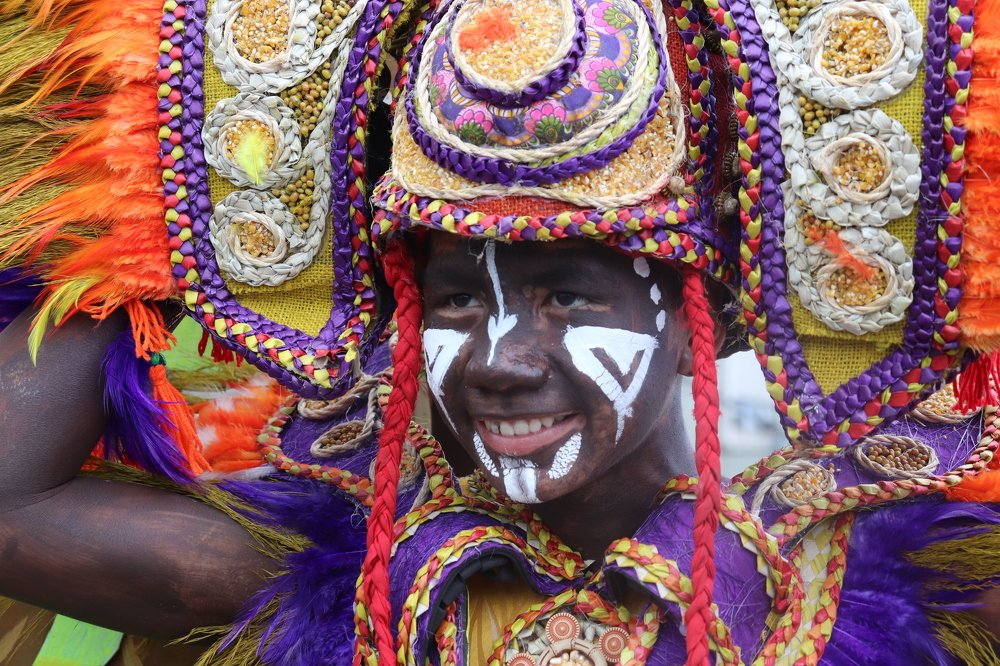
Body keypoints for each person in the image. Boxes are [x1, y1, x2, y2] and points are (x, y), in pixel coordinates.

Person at [1, 0, 1000, 664]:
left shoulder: (838, 591)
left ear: (716, 319)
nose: (498, 360)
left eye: (568, 298)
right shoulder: (344, 575)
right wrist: (142, 216)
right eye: (455, 302)